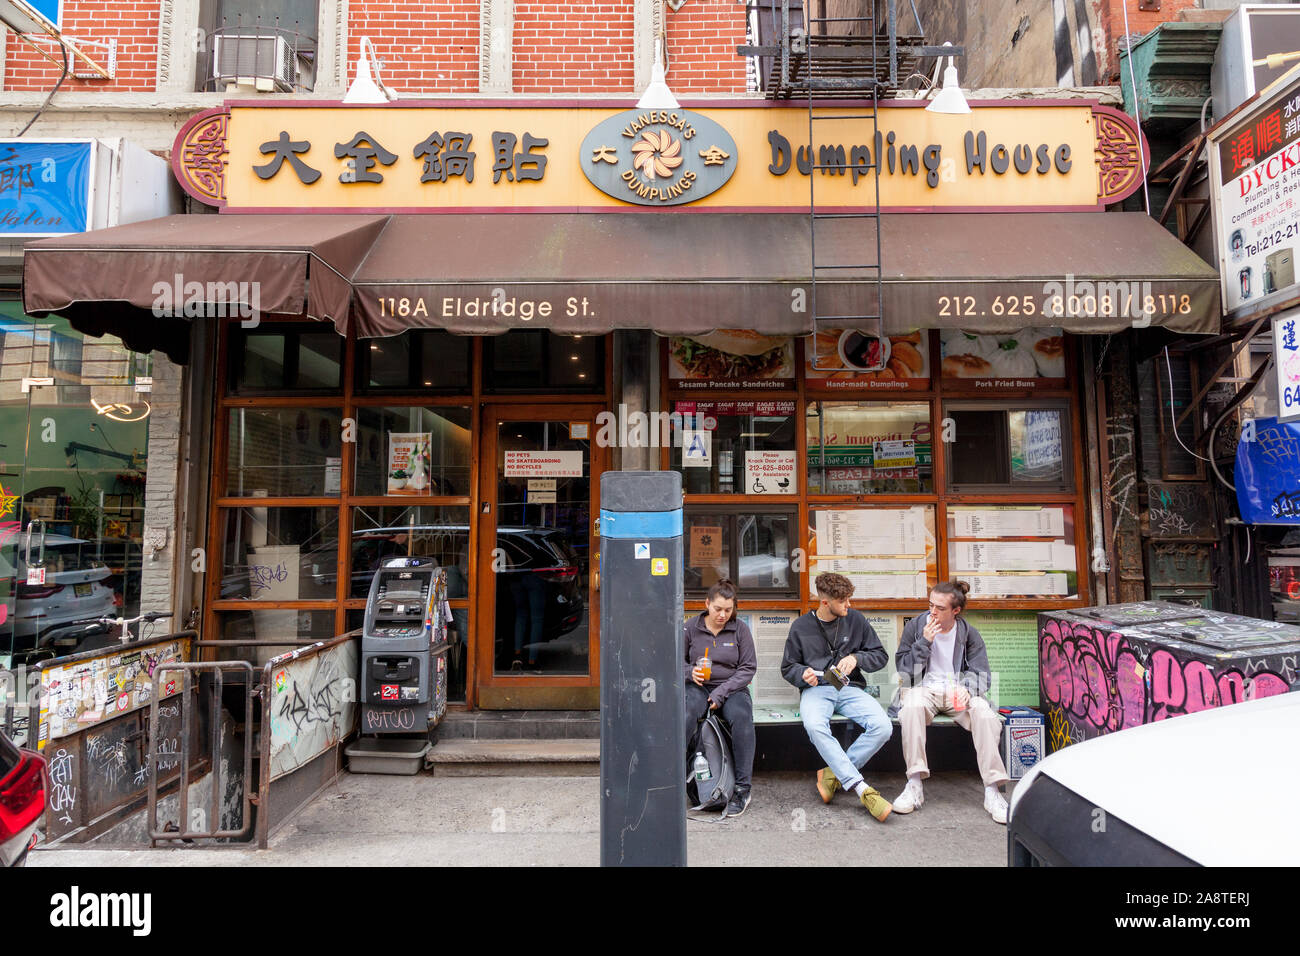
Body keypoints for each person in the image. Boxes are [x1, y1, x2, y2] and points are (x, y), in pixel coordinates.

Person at [890, 580, 1011, 824]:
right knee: (911, 707)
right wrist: (923, 643)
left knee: (984, 713)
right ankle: (914, 783)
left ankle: (992, 790)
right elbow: (904, 673)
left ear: (955, 611)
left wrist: (969, 688)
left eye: (940, 608)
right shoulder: (916, 626)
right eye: (930, 605)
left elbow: (982, 673)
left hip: (957, 692)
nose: (932, 612)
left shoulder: (968, 633)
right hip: (924, 690)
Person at [780, 572, 893, 822]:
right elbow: (788, 667)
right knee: (814, 726)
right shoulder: (801, 627)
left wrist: (857, 658)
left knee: (883, 727)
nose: (848, 605)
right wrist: (803, 674)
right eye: (843, 601)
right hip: (817, 689)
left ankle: (832, 774)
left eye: (849, 599)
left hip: (849, 687)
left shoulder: (856, 620)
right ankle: (861, 788)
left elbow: (880, 656)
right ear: (825, 602)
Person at [683, 579, 757, 817]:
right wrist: (688, 672)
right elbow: (673, 660)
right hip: (697, 686)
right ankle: (674, 780)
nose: (723, 615)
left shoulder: (740, 630)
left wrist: (721, 692)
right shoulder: (690, 628)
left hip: (731, 689)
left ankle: (742, 789)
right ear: (707, 604)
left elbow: (747, 668)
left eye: (728, 609)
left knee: (742, 717)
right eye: (718, 609)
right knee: (685, 713)